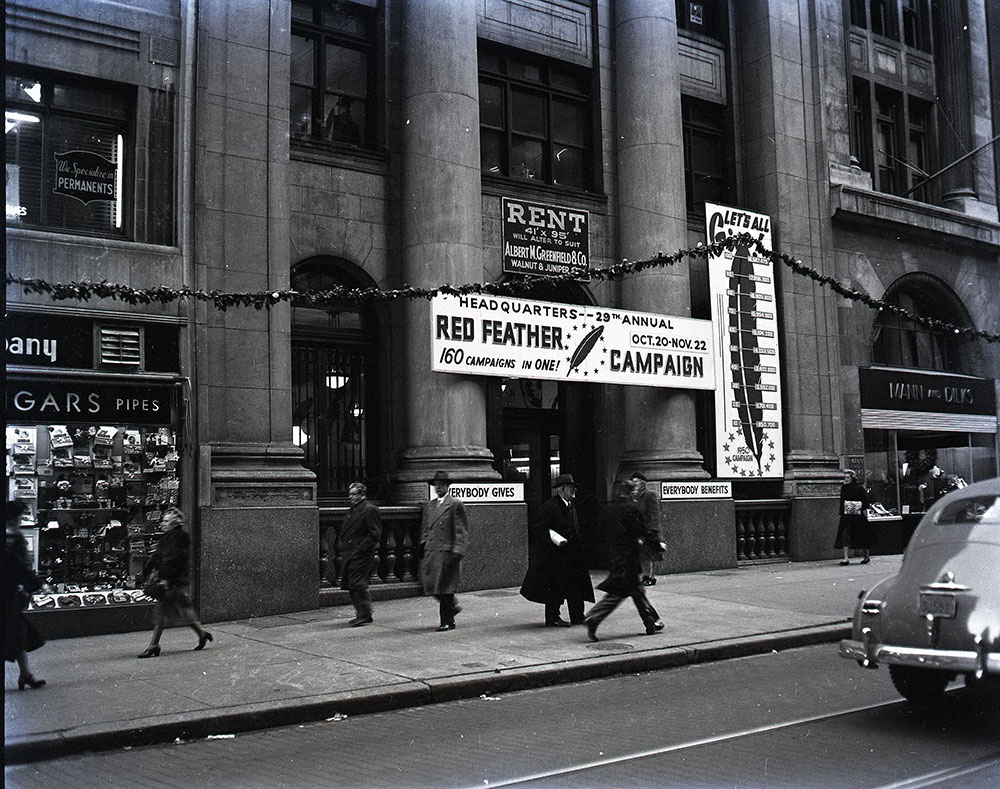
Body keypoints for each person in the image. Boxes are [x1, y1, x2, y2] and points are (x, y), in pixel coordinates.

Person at [585, 482, 665, 641]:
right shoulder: (631, 508)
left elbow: (599, 533)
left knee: (635, 590)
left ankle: (651, 621)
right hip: (629, 557)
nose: (635, 493)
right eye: (634, 491)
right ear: (630, 493)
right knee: (621, 592)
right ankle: (594, 618)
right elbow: (643, 532)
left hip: (614, 556)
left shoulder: (608, 509)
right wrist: (657, 545)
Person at [519, 473, 594, 626]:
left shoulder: (572, 506)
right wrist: (553, 541)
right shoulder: (549, 507)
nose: (574, 491)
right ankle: (553, 618)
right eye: (571, 488)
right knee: (555, 588)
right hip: (557, 556)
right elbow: (540, 530)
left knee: (576, 587)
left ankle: (577, 615)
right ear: (561, 489)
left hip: (574, 556)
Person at [137, 507, 213, 657]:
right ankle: (202, 634)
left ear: (175, 523)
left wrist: (166, 578)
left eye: (166, 521)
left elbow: (175, 560)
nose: (162, 524)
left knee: (162, 612)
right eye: (163, 521)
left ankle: (154, 645)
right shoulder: (168, 537)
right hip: (170, 579)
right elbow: (160, 557)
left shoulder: (179, 538)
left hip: (172, 580)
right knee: (181, 610)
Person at [4, 500, 46, 689]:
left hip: (10, 592)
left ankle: (26, 674)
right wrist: (35, 584)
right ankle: (25, 674)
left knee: (18, 634)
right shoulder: (14, 539)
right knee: (16, 633)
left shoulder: (14, 538)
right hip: (8, 594)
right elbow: (21, 566)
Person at [420, 471, 468, 632]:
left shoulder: (455, 504)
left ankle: (447, 621)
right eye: (436, 485)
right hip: (432, 552)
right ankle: (452, 607)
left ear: (447, 486)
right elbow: (427, 528)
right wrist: (423, 544)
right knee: (432, 586)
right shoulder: (430, 505)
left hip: (447, 553)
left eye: (441, 485)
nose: (438, 488)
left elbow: (460, 530)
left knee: (445, 589)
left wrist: (457, 550)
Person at [339, 482, 383, 627]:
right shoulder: (354, 509)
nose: (350, 497)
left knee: (357, 584)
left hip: (361, 554)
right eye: (350, 494)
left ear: (362, 494)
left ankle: (364, 614)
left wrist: (360, 549)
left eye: (353, 494)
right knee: (353, 583)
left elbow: (374, 533)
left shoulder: (369, 509)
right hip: (352, 552)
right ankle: (362, 613)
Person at [630, 472, 665, 586]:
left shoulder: (649, 495)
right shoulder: (634, 496)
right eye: (633, 482)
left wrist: (653, 529)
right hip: (638, 529)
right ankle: (645, 576)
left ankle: (650, 577)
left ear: (642, 483)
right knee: (642, 554)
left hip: (648, 529)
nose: (634, 484)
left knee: (649, 555)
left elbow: (654, 513)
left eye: (636, 482)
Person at [834, 469, 873, 566]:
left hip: (857, 516)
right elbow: (842, 501)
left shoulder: (859, 488)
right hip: (846, 516)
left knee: (863, 536)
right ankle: (846, 558)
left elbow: (866, 501)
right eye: (845, 477)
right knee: (845, 535)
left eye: (848, 477)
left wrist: (858, 507)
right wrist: (841, 512)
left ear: (852, 478)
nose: (846, 479)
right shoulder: (844, 488)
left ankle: (866, 556)